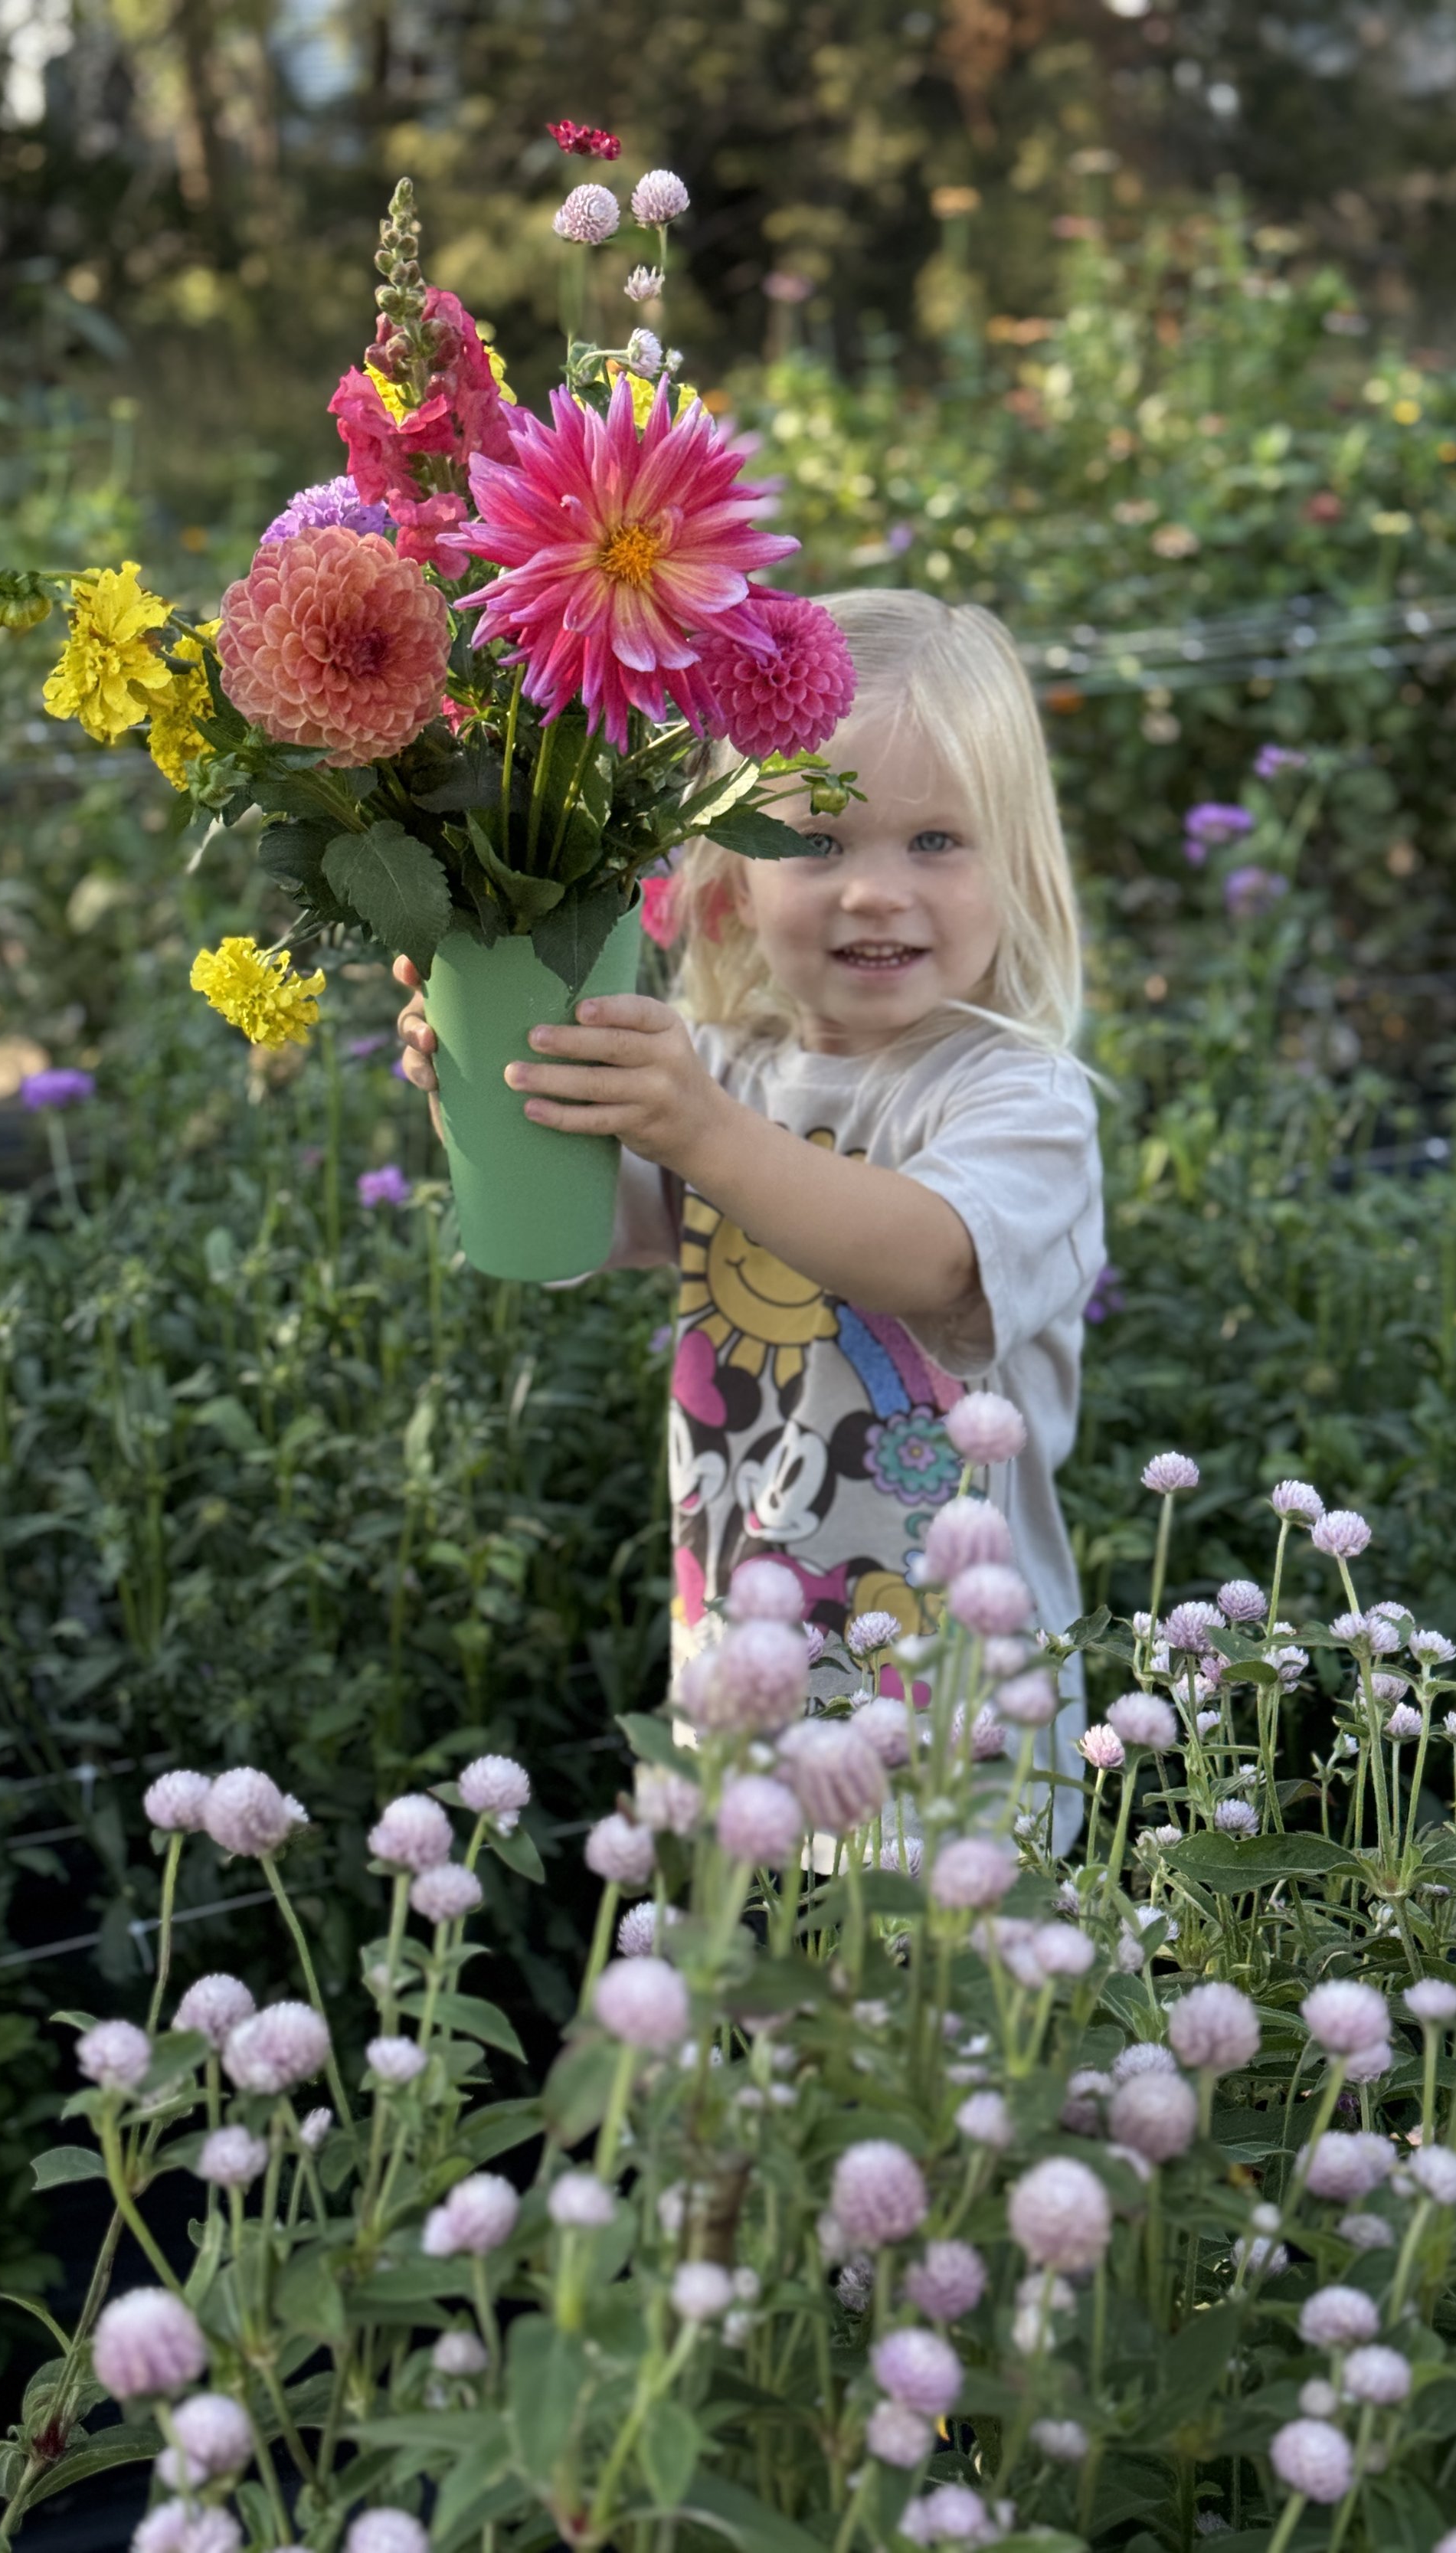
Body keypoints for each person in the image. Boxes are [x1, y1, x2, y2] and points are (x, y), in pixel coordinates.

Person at [394, 588, 1104, 1741]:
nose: (876, 887)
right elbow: (580, 1216)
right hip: (739, 1682)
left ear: (1016, 868)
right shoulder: (723, 1067)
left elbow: (926, 1255)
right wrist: (484, 1082)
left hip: (959, 1725)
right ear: (732, 879)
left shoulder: (1019, 1097)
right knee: (745, 1928)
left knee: (939, 1932)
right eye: (818, 839)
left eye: (937, 839)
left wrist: (699, 1129)